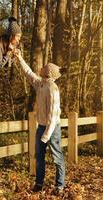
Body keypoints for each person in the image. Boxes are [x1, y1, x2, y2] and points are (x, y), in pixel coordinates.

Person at [13, 49, 65, 194]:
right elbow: (28, 73)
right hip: (42, 127)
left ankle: (59, 186)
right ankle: (39, 184)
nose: (41, 69)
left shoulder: (52, 89)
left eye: (44, 68)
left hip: (52, 129)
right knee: (39, 157)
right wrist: (19, 57)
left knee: (57, 157)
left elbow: (53, 116)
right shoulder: (40, 84)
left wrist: (46, 135)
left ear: (48, 72)